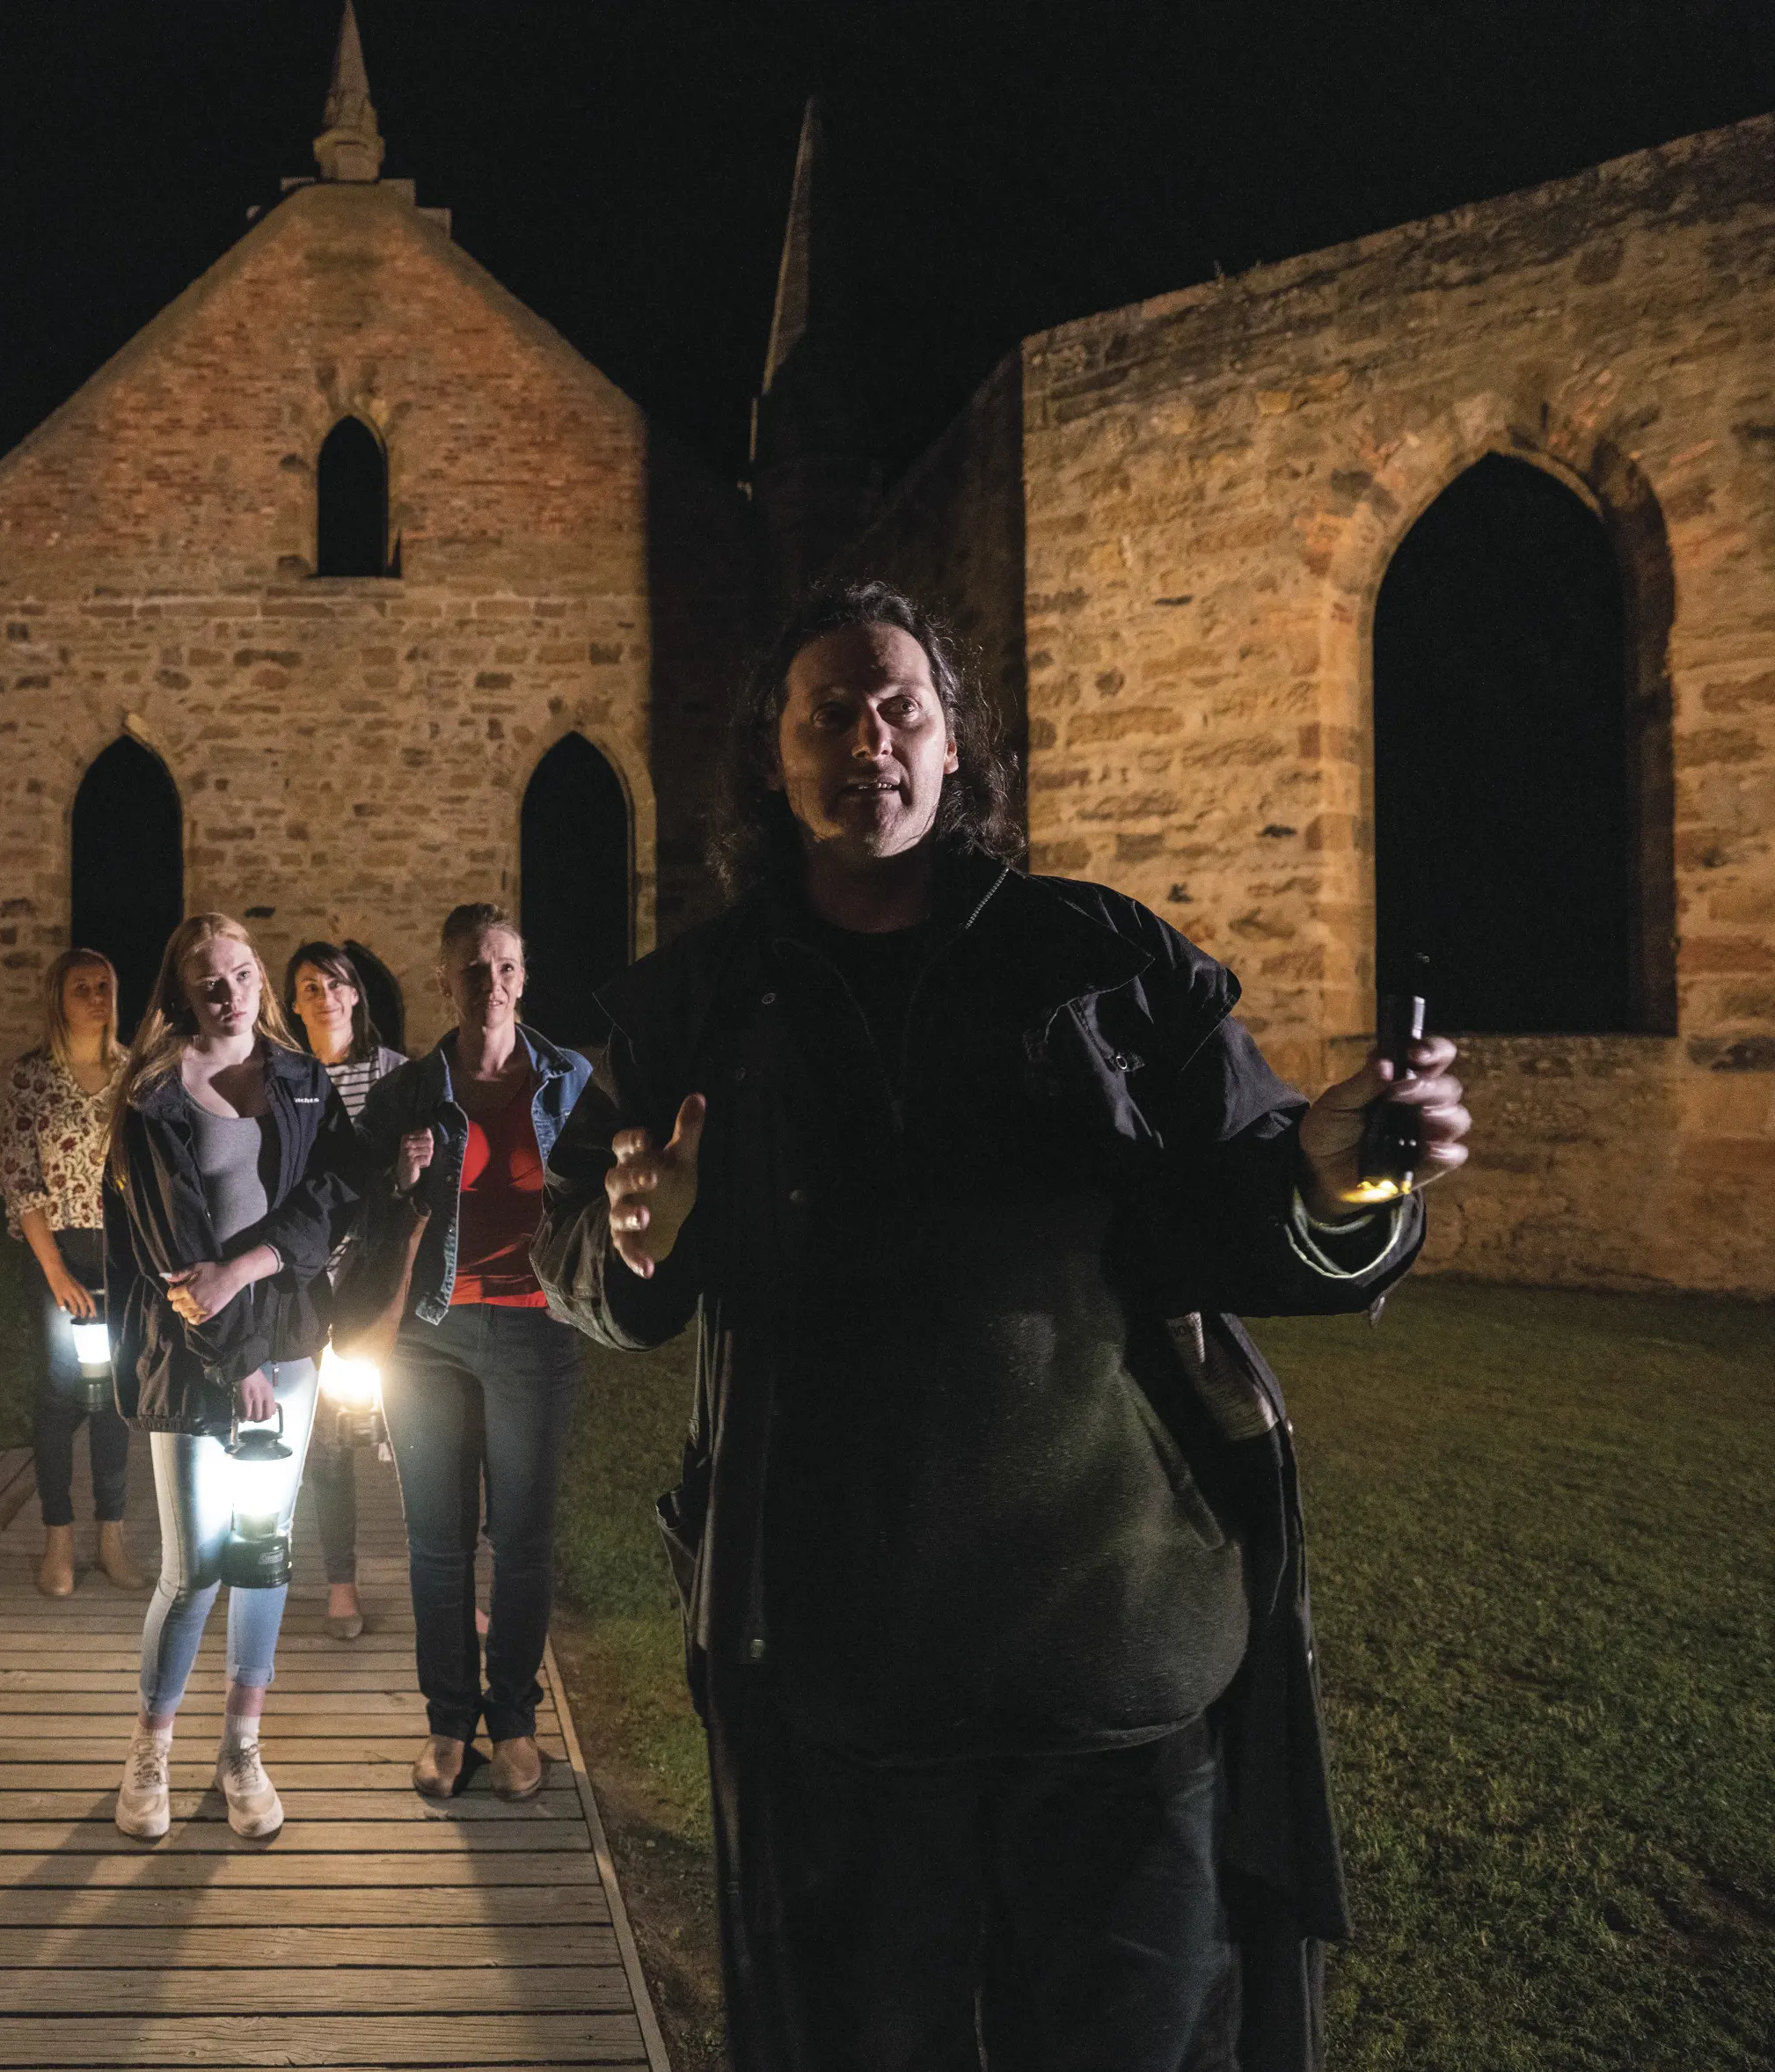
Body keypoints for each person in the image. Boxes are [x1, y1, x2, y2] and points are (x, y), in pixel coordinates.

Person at [534, 576, 1474, 2072]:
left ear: (953, 743)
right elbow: (586, 1252)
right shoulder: (692, 1008)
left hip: (1110, 1671)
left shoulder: (1099, 965)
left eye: (901, 705)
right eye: (826, 712)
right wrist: (633, 1240)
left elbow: (1251, 1202)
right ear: (772, 762)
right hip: (844, 1685)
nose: (869, 738)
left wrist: (1337, 1170)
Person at [104, 913, 369, 1841]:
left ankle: (241, 1751)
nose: (231, 993)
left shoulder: (301, 1083)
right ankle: (150, 1753)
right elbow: (171, 1249)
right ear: (183, 992)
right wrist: (237, 1358)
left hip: (288, 1344)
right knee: (194, 1565)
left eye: (245, 973)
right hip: (195, 1356)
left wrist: (253, 1282)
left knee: (265, 1551)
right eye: (211, 979)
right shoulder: (151, 1099)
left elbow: (331, 1195)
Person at [358, 905, 595, 1803]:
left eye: (501, 967)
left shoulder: (569, 1081)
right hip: (427, 1336)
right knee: (439, 1542)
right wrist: (400, 1176)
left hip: (537, 1329)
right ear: (443, 981)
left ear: (522, 979)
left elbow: (611, 1190)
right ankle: (450, 1723)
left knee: (525, 1542)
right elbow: (364, 1216)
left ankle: (517, 1720)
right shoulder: (406, 1095)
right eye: (469, 969)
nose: (486, 984)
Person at [0, 948, 142, 1599]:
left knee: (116, 1392)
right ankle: (58, 1533)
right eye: (80, 986)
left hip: (123, 1253)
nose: (95, 995)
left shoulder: (138, 1075)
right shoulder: (30, 1077)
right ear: (57, 997)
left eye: (104, 985)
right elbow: (18, 1178)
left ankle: (112, 1533)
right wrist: (54, 1271)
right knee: (58, 1392)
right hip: (55, 1252)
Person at [281, 940, 409, 1640]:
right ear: (294, 1004)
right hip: (310, 1282)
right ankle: (340, 1585)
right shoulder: (287, 1079)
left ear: (355, 994)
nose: (324, 994)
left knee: (415, 1432)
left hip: (381, 1275)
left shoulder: (396, 1075)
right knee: (326, 1443)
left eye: (335, 982)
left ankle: (442, 1584)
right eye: (308, 985)